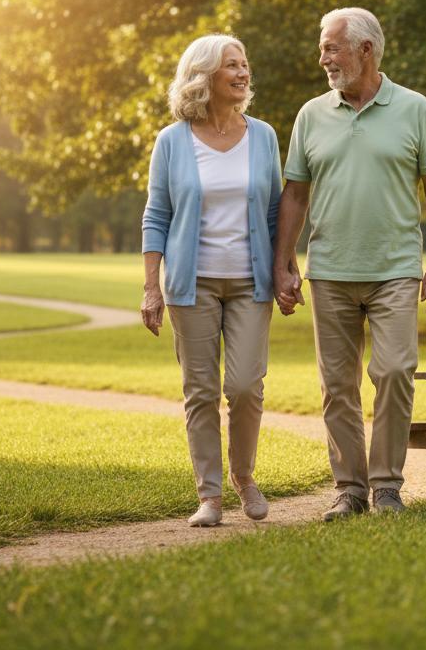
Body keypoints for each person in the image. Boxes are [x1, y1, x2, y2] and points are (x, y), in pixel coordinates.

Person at [274, 7, 426, 521]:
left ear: (365, 50)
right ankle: (349, 490)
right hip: (330, 270)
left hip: (395, 269)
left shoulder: (415, 108)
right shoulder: (311, 114)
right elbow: (295, 194)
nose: (323, 58)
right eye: (323, 48)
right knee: (337, 388)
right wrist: (284, 262)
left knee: (395, 371)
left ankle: (387, 486)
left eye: (331, 48)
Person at [140, 34, 283, 527]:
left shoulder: (263, 136)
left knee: (244, 386)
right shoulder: (172, 141)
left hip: (250, 282)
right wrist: (151, 287)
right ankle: (210, 495)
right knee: (200, 391)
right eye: (232, 66)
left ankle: (244, 476)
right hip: (191, 284)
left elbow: (275, 212)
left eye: (244, 64)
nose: (243, 73)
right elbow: (156, 216)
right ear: (204, 76)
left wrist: (284, 268)